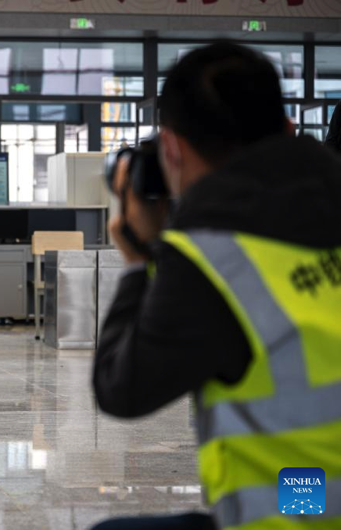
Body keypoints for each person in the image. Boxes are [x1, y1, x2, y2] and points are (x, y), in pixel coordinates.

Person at [92, 43, 341, 529]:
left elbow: (121, 389)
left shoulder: (210, 257)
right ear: (287, 130)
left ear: (173, 149)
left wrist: (139, 259)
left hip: (301, 512)